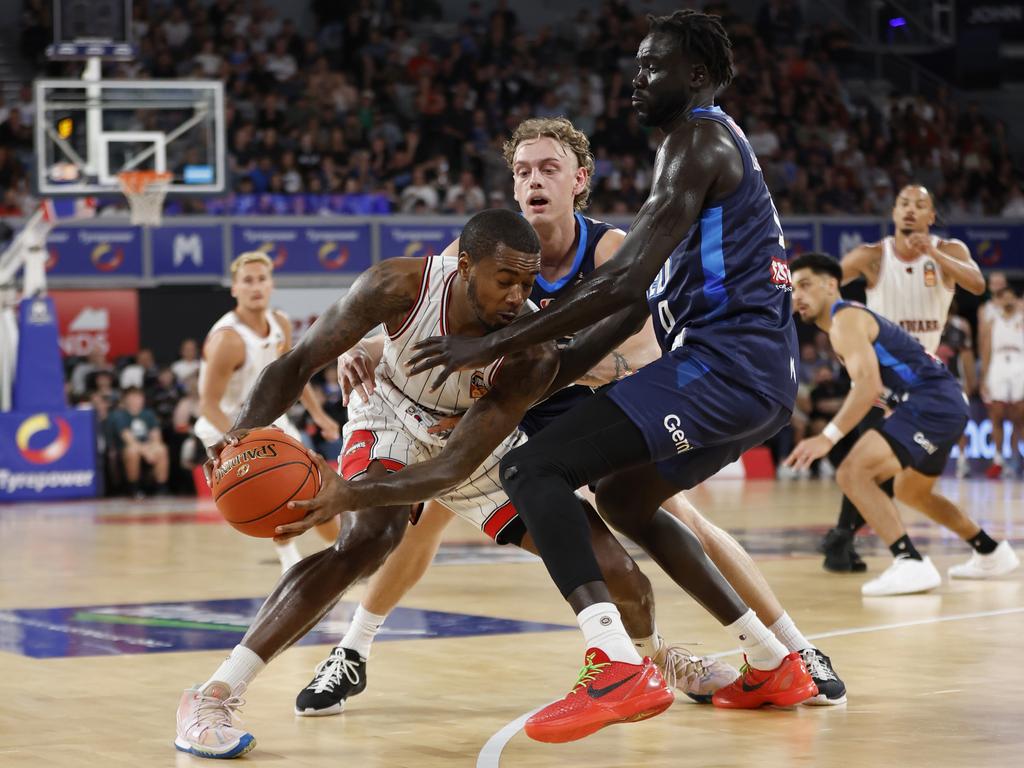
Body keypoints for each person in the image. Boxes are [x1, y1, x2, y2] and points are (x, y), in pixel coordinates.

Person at [294, 115, 843, 719]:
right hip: (508, 403)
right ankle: (352, 651)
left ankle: (793, 649)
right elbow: (420, 329)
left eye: (548, 169)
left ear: (579, 180)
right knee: (425, 515)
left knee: (670, 515)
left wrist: (553, 364)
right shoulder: (475, 250)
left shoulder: (610, 249)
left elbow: (645, 355)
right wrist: (363, 349)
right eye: (522, 171)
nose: (534, 180)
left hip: (578, 399)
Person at [405, 11, 817, 743]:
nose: (636, 79)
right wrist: (546, 369)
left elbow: (624, 286)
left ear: (694, 76)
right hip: (757, 376)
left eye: (652, 66)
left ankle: (616, 666)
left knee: (532, 471)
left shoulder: (697, 139)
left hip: (727, 367)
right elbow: (631, 313)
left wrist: (490, 349)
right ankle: (773, 658)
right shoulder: (708, 149)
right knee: (627, 499)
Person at [174, 209, 720, 759]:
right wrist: (242, 432)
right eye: (504, 280)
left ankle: (644, 662)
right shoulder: (397, 285)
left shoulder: (529, 347)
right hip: (388, 418)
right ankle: (213, 694)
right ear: (463, 267)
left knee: (620, 575)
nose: (517, 297)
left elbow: (452, 469)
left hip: (468, 444)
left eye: (528, 284)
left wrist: (347, 493)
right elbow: (296, 364)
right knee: (368, 539)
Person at [785, 253, 1018, 595]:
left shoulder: (845, 319)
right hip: (942, 402)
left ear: (831, 284)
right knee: (911, 490)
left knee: (852, 473)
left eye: (804, 285)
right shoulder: (846, 323)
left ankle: (909, 562)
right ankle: (990, 551)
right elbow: (880, 389)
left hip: (932, 401)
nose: (797, 297)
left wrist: (827, 437)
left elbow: (868, 386)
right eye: (792, 290)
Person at [822, 184, 984, 572]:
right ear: (894, 213)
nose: (910, 211)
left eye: (920, 205)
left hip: (924, 382)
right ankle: (842, 541)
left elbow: (977, 285)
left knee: (886, 473)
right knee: (867, 464)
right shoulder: (872, 256)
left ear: (932, 216)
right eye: (903, 204)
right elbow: (826, 284)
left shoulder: (950, 251)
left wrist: (935, 255)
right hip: (878, 377)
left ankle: (845, 538)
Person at [194, 251, 341, 573]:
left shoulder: (280, 323)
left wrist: (318, 415)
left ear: (271, 284)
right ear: (234, 289)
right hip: (225, 428)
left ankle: (342, 555)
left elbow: (291, 376)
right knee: (272, 499)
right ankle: (290, 559)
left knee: (314, 485)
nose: (255, 286)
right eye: (247, 281)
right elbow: (207, 403)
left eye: (261, 279)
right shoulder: (227, 340)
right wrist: (238, 441)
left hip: (271, 420)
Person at [980, 286, 1024, 478]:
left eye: (1011, 297)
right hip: (998, 364)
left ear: (1016, 299)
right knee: (996, 413)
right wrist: (984, 376)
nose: (1007, 301)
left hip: (1019, 363)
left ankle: (1015, 457)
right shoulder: (992, 322)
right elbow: (986, 351)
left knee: (1018, 415)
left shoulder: (1022, 320)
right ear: (998, 300)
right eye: (1003, 297)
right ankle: (997, 459)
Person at [935, 302, 978, 478]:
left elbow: (967, 356)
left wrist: (970, 381)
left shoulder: (959, 327)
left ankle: (962, 461)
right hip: (929, 382)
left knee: (958, 423)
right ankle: (927, 460)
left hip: (954, 380)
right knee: (930, 422)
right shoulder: (926, 325)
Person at [106, 386, 169, 498]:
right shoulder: (119, 415)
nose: (136, 400)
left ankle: (161, 488)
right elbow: (129, 439)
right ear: (125, 400)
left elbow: (156, 437)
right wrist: (146, 452)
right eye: (132, 397)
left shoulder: (148, 414)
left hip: (147, 447)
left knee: (161, 449)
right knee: (133, 450)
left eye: (138, 397)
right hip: (125, 450)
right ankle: (134, 488)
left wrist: (150, 449)